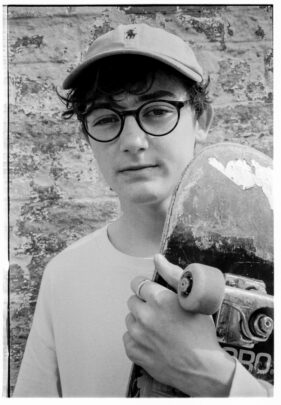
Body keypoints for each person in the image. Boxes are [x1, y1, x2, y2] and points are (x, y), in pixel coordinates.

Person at [13, 23, 273, 397]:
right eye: (105, 118)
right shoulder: (64, 275)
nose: (133, 141)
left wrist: (216, 377)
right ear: (87, 137)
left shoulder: (269, 260)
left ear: (200, 120)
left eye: (156, 111)